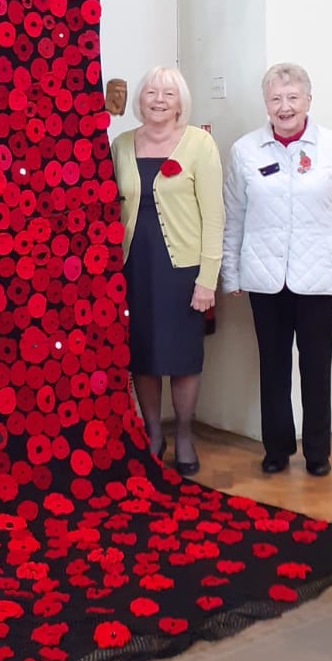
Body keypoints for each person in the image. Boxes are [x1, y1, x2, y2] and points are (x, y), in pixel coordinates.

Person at [222, 62, 332, 477]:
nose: (284, 107)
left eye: (292, 98)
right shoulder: (245, 150)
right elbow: (234, 216)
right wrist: (231, 274)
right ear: (265, 104)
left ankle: (318, 452)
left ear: (308, 100)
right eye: (275, 99)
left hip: (319, 278)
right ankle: (277, 448)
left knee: (315, 366)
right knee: (273, 366)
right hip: (265, 278)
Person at [111, 66, 224, 475]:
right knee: (142, 355)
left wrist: (207, 280)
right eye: (151, 92)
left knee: (183, 357)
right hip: (134, 266)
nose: (158, 100)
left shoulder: (199, 144)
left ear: (181, 103)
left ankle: (185, 436)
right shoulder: (120, 144)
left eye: (168, 94)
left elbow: (214, 217)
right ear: (139, 100)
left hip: (183, 269)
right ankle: (153, 435)